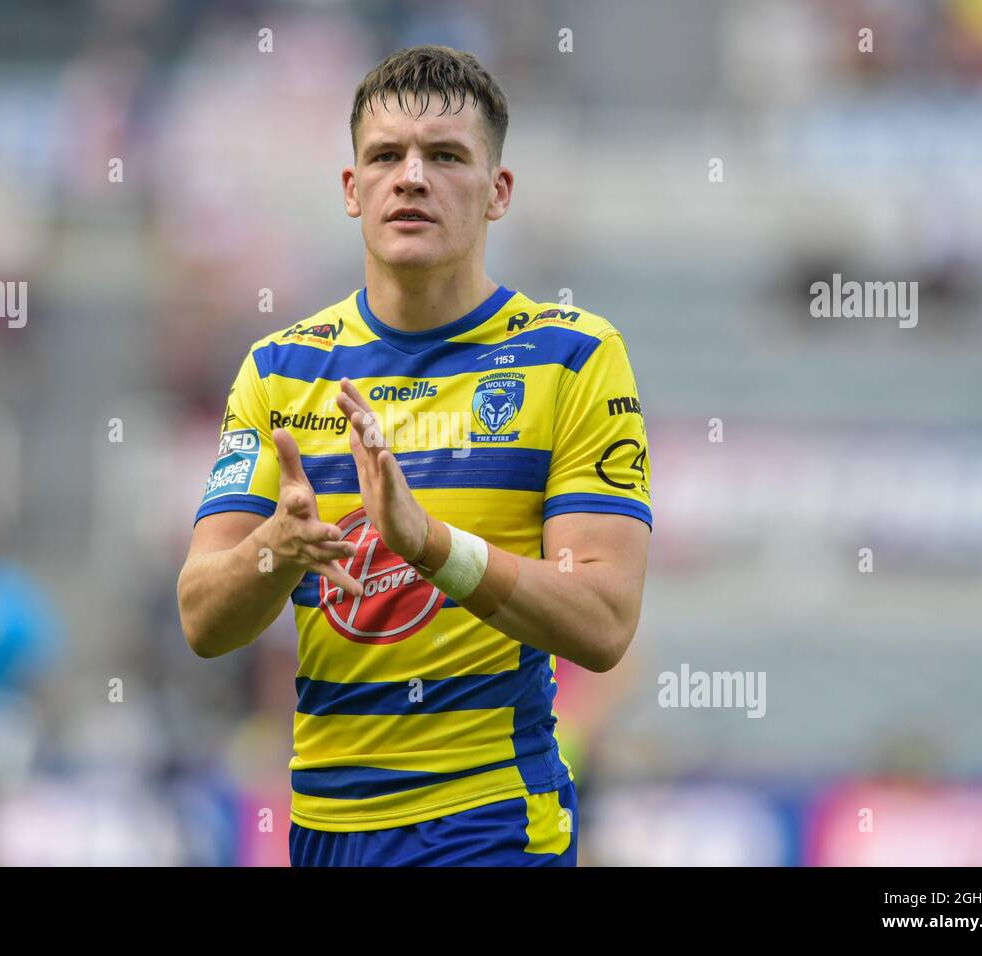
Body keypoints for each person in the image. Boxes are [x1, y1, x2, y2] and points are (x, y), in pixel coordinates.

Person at [177, 45, 652, 866]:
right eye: (386, 156)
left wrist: (430, 545)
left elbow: (604, 621)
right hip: (324, 831)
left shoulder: (572, 358)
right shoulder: (280, 369)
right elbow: (202, 620)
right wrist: (274, 552)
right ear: (351, 190)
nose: (411, 177)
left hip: (492, 825)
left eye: (445, 156)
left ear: (498, 192)